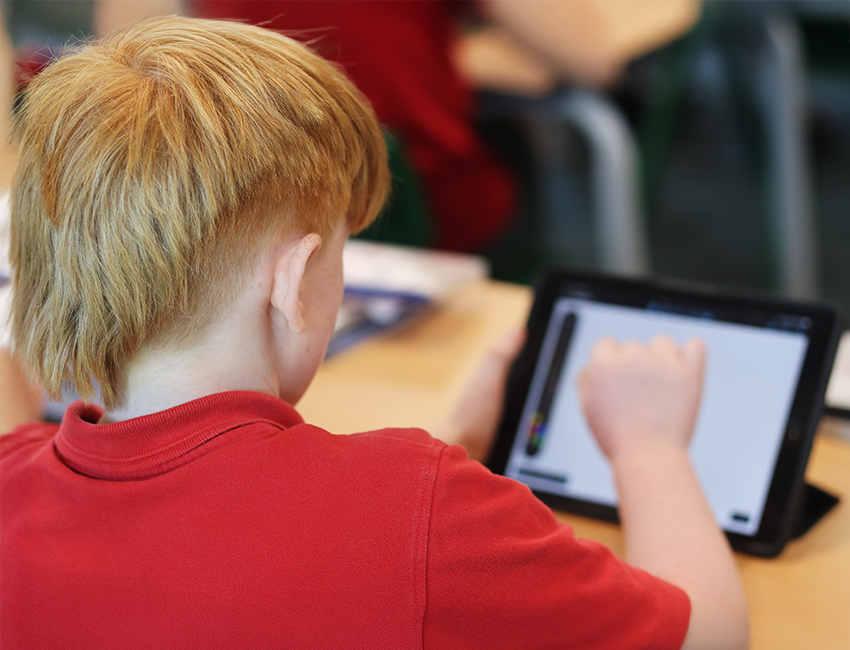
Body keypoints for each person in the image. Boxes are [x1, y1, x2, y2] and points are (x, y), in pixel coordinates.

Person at [0, 16, 747, 649]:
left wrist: (458, 449)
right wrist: (648, 447)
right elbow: (709, 633)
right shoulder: (423, 509)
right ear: (295, 282)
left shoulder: (14, 480)